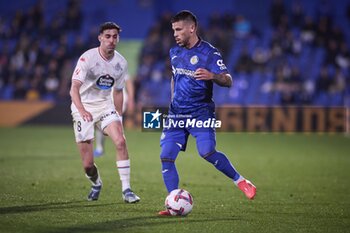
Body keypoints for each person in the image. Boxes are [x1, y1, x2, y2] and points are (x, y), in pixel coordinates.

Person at [158, 11, 256, 216]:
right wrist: (172, 99)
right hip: (177, 114)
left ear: (191, 28)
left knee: (207, 152)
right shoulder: (174, 52)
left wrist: (212, 75)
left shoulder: (209, 53)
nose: (175, 34)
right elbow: (174, 77)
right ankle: (174, 203)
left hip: (200, 112)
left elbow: (228, 80)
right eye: (173, 30)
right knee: (166, 156)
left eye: (178, 29)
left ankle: (242, 182)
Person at [70, 22, 140, 203]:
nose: (111, 40)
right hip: (83, 107)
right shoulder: (87, 58)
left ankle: (127, 190)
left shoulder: (121, 62)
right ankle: (96, 183)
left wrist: (118, 115)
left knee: (120, 141)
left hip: (104, 106)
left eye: (115, 36)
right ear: (100, 37)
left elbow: (117, 92)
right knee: (87, 165)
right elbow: (74, 89)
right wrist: (82, 110)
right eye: (107, 36)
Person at [94, 76, 135, 157]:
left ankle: (121, 147)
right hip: (105, 99)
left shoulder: (120, 65)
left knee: (115, 124)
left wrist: (131, 99)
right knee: (99, 123)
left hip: (118, 99)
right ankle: (100, 148)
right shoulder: (100, 67)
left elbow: (128, 82)